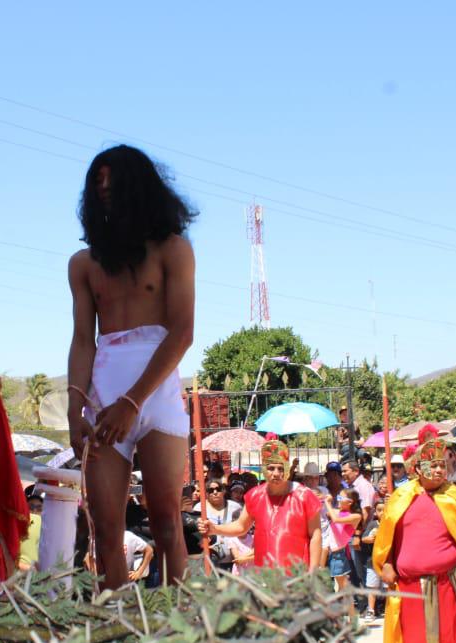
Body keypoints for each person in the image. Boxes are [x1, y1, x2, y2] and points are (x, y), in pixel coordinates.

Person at [66, 145, 196, 589]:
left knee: (166, 523)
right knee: (105, 532)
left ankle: (176, 619)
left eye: (112, 180)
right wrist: (74, 409)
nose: (103, 188)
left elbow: (182, 333)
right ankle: (117, 621)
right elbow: (82, 340)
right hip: (103, 399)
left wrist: (132, 402)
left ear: (137, 186)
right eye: (96, 181)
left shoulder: (173, 250)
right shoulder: (83, 264)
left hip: (155, 399)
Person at [372, 428, 456, 643]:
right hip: (409, 586)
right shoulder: (401, 497)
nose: (438, 470)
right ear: (417, 469)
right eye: (432, 465)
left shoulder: (455, 497)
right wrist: (387, 563)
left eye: (441, 465)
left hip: (447, 584)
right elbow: (388, 537)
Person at [197, 440, 322, 572]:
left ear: (286, 469)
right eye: (271, 468)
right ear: (264, 469)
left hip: (298, 573)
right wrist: (214, 529)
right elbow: (241, 526)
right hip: (264, 574)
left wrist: (313, 572)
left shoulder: (304, 495)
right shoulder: (255, 495)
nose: (276, 473)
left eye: (280, 468)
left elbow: (315, 534)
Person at [201, 478, 246, 571]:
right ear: (206, 493)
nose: (215, 492)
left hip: (234, 562)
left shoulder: (236, 507)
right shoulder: (199, 508)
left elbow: (243, 528)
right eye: (211, 490)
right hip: (209, 562)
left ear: (223, 491)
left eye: (218, 489)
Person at [358, 500, 384, 620]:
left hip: (387, 561)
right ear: (375, 512)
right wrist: (370, 538)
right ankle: (371, 610)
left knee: (388, 587)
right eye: (379, 510)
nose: (382, 512)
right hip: (373, 560)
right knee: (372, 586)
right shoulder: (373, 524)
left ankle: (388, 608)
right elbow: (364, 538)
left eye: (384, 510)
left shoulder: (391, 523)